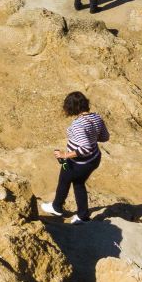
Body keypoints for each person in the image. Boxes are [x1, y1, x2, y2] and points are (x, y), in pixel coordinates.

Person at [38, 91, 106, 223]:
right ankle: (83, 216)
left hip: (78, 163)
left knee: (64, 180)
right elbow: (104, 137)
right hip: (94, 159)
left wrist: (65, 155)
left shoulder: (78, 125)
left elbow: (84, 148)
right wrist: (91, 136)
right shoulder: (97, 117)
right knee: (79, 183)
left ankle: (56, 207)